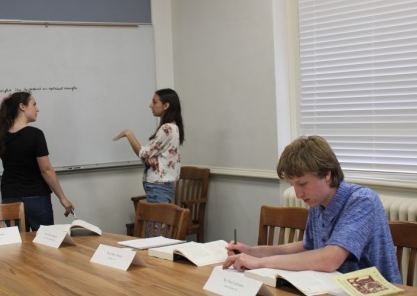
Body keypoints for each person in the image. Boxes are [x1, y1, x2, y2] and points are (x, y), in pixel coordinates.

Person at [222, 136, 401, 284]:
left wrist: (260, 263)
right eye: (293, 185)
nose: (298, 194)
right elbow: (307, 247)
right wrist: (253, 252)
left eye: (302, 184)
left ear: (326, 174)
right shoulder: (318, 201)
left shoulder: (362, 201)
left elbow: (329, 259)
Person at [0, 92, 74, 232]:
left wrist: (2, 107)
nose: (37, 109)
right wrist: (62, 197)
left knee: (18, 247)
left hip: (9, 199)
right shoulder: (35, 134)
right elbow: (46, 170)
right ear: (22, 106)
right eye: (34, 104)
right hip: (36, 198)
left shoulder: (0, 135)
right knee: (44, 244)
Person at [113, 89, 184, 235]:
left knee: (155, 232)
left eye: (154, 102)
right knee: (159, 230)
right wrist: (152, 159)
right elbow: (156, 155)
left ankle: (150, 259)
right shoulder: (174, 127)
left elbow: (144, 153)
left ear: (166, 106)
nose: (150, 105)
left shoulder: (167, 128)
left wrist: (128, 133)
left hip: (159, 187)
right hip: (163, 186)